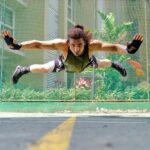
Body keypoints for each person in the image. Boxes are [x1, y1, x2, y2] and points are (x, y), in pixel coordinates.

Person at [2, 25, 143, 84]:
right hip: (65, 63)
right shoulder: (61, 44)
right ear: (68, 43)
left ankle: (116, 65)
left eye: (79, 45)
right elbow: (38, 44)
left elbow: (113, 47)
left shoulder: (92, 45)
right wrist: (18, 45)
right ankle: (22, 70)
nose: (76, 48)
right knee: (44, 68)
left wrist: (127, 49)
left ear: (85, 42)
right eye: (73, 45)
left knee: (102, 63)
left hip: (86, 61)